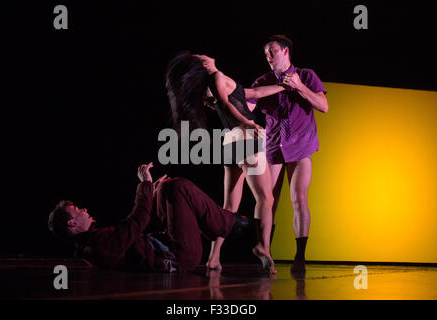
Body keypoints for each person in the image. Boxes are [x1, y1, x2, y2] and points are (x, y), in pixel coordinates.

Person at [166, 52, 287, 273]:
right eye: (200, 55)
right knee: (265, 198)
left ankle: (213, 258)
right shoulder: (217, 76)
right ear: (203, 63)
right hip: (245, 137)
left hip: (230, 142)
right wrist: (248, 123)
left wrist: (285, 86)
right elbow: (224, 103)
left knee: (229, 206)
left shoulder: (212, 84)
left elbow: (254, 93)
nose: (205, 53)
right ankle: (262, 246)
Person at [47, 163, 248, 272]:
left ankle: (227, 224)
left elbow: (136, 230)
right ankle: (235, 225)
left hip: (168, 245)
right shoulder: (98, 246)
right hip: (179, 256)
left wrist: (153, 191)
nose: (84, 210)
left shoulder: (94, 242)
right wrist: (145, 186)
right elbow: (136, 222)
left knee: (167, 188)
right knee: (178, 187)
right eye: (77, 210)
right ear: (71, 223)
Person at [247, 35, 329, 272]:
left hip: (300, 146)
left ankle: (300, 257)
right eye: (265, 53)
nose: (268, 56)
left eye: (272, 51)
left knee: (299, 198)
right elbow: (248, 105)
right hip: (273, 147)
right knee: (266, 200)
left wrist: (299, 87)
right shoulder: (263, 81)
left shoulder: (306, 75)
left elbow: (323, 106)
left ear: (285, 51)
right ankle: (265, 253)